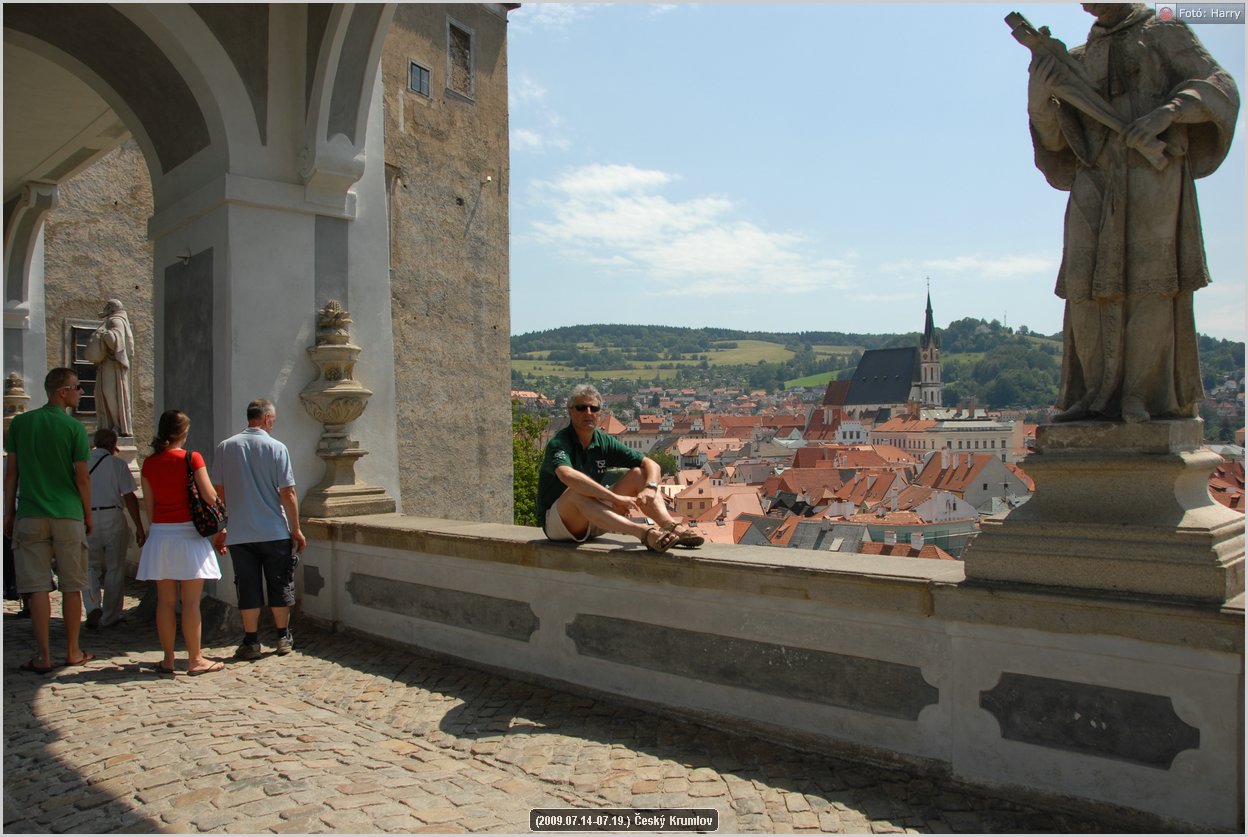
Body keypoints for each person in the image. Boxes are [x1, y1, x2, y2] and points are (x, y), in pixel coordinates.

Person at [1025, 3, 1239, 423]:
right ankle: (1093, 396)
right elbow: (1055, 145)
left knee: (1151, 281)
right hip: (1095, 175)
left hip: (1152, 170)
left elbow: (1221, 87)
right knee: (1082, 286)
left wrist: (1170, 111)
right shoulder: (1080, 58)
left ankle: (1140, 396)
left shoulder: (1164, 30)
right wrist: (1038, 103)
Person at [3, 367, 94, 673]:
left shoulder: (21, 424)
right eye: (77, 387)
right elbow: (82, 478)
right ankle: (72, 650)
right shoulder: (73, 428)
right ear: (62, 391)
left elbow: (12, 472)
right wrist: (87, 512)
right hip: (67, 512)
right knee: (72, 585)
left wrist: (8, 512)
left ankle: (43, 655)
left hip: (30, 511)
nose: (81, 392)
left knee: (37, 587)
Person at [537, 383, 703, 552]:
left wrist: (650, 488)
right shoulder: (560, 442)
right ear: (570, 411)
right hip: (560, 523)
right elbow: (567, 475)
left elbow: (651, 464)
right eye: (581, 408)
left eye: (593, 408)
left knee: (640, 473)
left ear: (599, 414)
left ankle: (671, 526)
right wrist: (615, 498)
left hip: (596, 515)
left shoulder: (602, 441)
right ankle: (645, 533)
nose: (588, 413)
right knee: (576, 492)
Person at [211, 399, 306, 660]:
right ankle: (282, 636)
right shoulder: (276, 448)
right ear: (265, 419)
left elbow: (219, 492)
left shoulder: (225, 447)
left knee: (247, 586)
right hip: (274, 530)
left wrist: (223, 527)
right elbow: (288, 492)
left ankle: (251, 642)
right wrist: (296, 529)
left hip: (240, 533)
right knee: (280, 584)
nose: (273, 424)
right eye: (272, 420)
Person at [136, 410, 224, 675]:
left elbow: (150, 510)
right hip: (188, 536)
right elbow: (209, 496)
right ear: (183, 433)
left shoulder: (149, 463)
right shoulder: (191, 458)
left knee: (164, 601)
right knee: (191, 603)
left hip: (162, 535)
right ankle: (195, 659)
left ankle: (168, 658)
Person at [83, 428, 145, 629]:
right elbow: (129, 497)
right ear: (113, 445)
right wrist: (139, 526)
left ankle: (93, 607)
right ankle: (110, 614)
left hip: (87, 516)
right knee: (115, 567)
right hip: (112, 516)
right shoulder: (118, 464)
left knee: (89, 567)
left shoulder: (82, 464)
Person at [85, 299, 135, 436]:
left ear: (112, 308)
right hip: (107, 365)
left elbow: (116, 343)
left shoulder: (115, 321)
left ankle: (116, 425)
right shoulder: (113, 320)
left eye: (107, 306)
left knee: (109, 394)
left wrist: (103, 335)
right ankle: (109, 425)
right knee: (104, 394)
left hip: (112, 365)